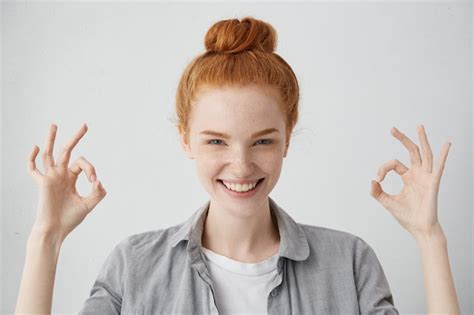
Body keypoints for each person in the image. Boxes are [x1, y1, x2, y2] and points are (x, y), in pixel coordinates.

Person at [15, 16, 460, 314]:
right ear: (185, 139)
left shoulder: (349, 264)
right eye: (216, 141)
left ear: (287, 138)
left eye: (263, 140)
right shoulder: (135, 267)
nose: (241, 165)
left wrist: (429, 237)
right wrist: (46, 238)